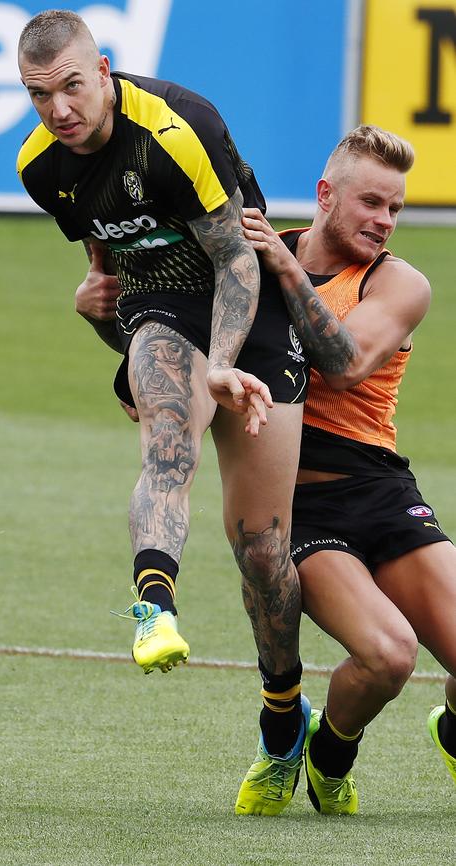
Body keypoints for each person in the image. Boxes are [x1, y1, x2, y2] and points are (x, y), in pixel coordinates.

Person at [16, 9, 311, 815]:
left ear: (104, 70)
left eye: (72, 86)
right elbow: (108, 266)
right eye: (38, 95)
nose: (59, 110)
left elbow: (234, 258)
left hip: (246, 292)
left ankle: (284, 717)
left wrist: (221, 366)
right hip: (162, 303)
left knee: (262, 547)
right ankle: (156, 605)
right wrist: (99, 314)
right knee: (167, 448)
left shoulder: (180, 128)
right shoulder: (41, 168)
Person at [240, 124, 456, 815]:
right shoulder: (254, 262)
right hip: (306, 508)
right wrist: (104, 316)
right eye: (371, 203)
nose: (385, 222)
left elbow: (343, 360)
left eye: (394, 208)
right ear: (326, 196)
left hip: (384, 494)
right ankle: (318, 754)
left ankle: (406, 739)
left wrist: (283, 269)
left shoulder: (399, 283)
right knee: (389, 656)